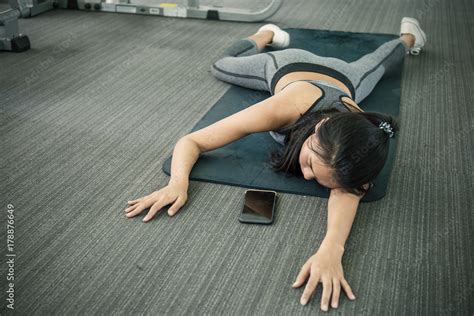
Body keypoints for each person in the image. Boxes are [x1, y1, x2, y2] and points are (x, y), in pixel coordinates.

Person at [124, 17, 426, 311]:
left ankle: (409, 36)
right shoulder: (285, 106)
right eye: (309, 162)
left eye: (320, 178)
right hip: (288, 66)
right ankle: (267, 35)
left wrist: (331, 250)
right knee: (221, 64)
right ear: (316, 131)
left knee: (383, 58)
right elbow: (193, 141)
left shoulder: (359, 143)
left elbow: (348, 190)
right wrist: (177, 182)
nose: (306, 175)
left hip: (346, 76)